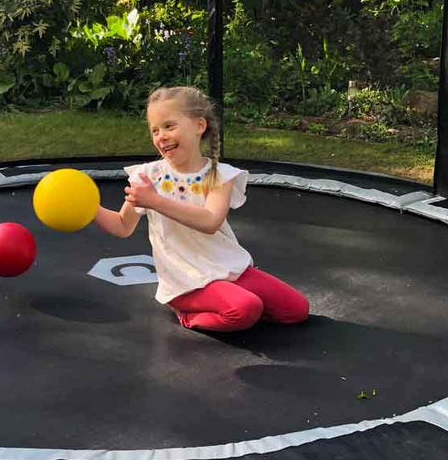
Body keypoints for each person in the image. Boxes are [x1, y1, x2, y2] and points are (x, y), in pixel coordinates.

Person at [93, 86, 310, 332]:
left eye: (169, 126)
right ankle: (188, 314)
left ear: (199, 126)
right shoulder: (148, 176)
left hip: (228, 267)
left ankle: (229, 299)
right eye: (154, 130)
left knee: (297, 310)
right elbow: (123, 226)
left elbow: (210, 221)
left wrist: (155, 201)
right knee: (245, 308)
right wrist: (89, 207)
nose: (160, 136)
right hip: (185, 280)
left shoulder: (219, 176)